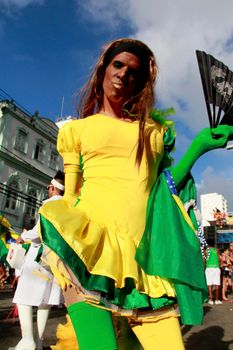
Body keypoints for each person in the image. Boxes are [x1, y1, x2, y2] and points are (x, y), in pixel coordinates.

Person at [39, 38, 233, 350]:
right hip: (92, 252)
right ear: (104, 69)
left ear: (140, 83)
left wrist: (199, 146)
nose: (124, 74)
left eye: (134, 72)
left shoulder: (155, 133)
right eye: (118, 65)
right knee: (100, 347)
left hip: (146, 261)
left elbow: (164, 187)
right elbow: (71, 195)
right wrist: (64, 251)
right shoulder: (77, 130)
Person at [8, 171, 65, 350]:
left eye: (49, 187)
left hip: (38, 260)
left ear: (54, 188)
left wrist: (23, 236)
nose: (48, 190)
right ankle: (38, 342)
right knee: (44, 302)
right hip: (55, 262)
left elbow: (41, 232)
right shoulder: (68, 206)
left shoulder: (49, 205)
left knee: (23, 299)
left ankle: (28, 341)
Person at [205, 239, 222, 305]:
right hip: (216, 268)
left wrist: (204, 267)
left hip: (209, 268)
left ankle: (211, 299)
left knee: (209, 284)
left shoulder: (206, 251)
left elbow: (204, 260)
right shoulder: (217, 250)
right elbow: (219, 259)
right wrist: (219, 266)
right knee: (217, 284)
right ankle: (217, 300)